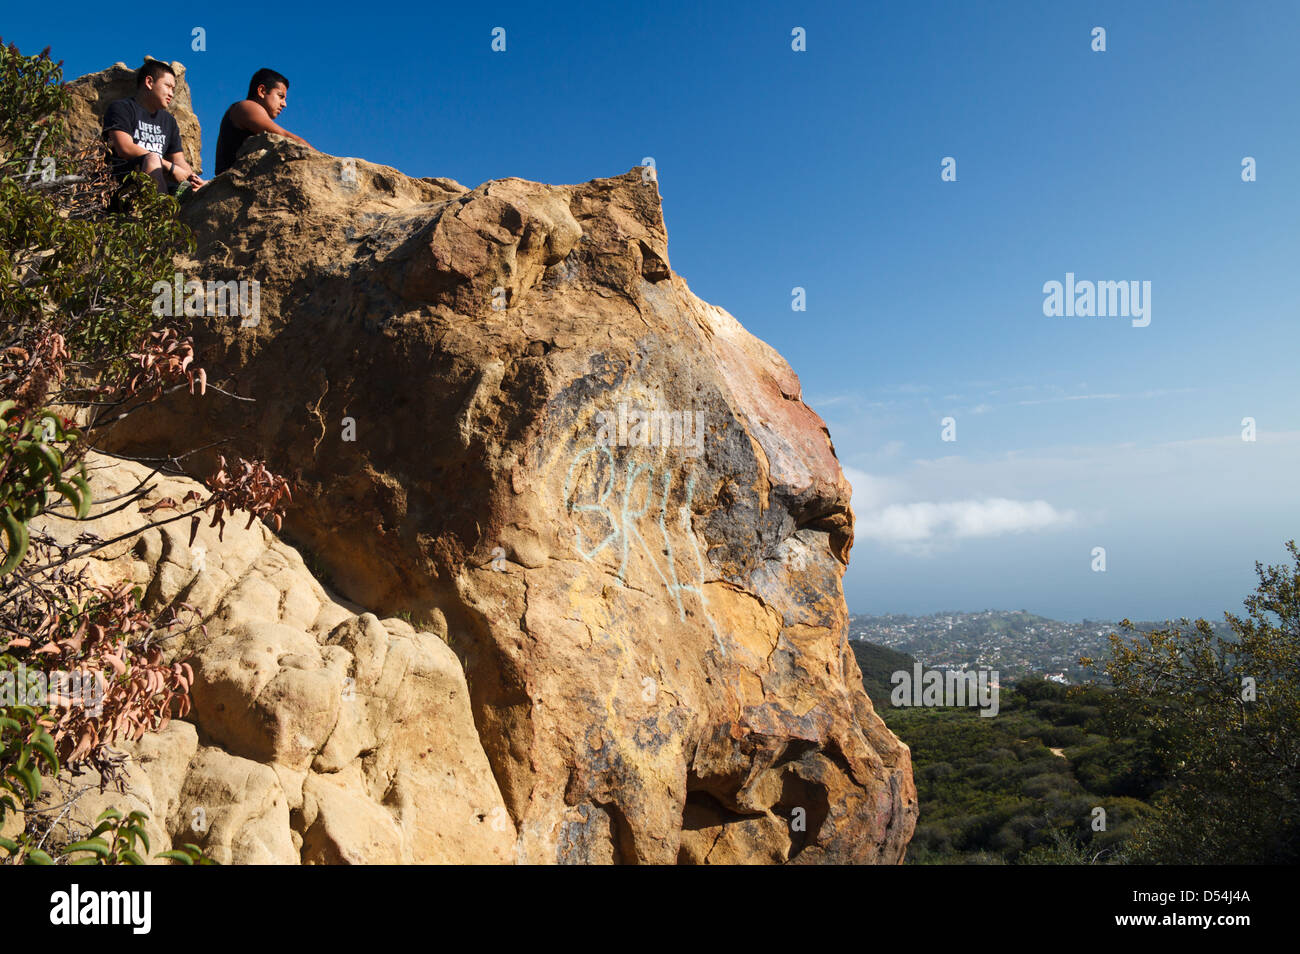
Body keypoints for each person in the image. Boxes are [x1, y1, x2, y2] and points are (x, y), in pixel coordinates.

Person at [102, 60, 205, 194]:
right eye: (168, 86)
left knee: (197, 189)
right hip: (122, 184)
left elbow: (179, 160)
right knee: (152, 159)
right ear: (149, 82)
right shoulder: (121, 108)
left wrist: (193, 177)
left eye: (173, 89)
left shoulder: (169, 121)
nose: (171, 94)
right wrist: (170, 167)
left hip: (158, 183)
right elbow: (124, 148)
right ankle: (159, 212)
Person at [214, 68, 313, 175]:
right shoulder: (246, 107)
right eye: (280, 96)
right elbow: (284, 136)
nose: (284, 104)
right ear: (262, 91)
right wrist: (320, 157)